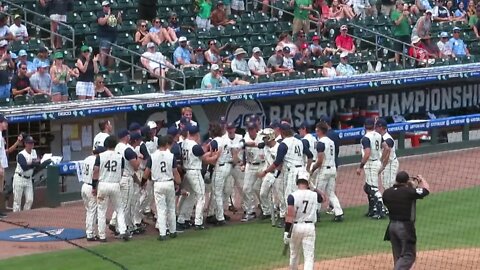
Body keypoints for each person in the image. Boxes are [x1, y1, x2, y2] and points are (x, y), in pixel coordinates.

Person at [383, 172, 430, 269]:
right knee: (408, 256)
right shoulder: (409, 192)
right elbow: (426, 190)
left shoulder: (387, 193)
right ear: (406, 181)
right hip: (404, 227)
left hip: (392, 227)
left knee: (398, 255)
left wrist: (410, 187)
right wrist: (421, 180)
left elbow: (401, 194)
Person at [177, 125, 219, 230]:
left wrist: (207, 150)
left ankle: (182, 219)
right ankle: (198, 222)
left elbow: (201, 152)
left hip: (187, 171)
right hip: (194, 172)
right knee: (201, 197)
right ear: (196, 134)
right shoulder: (194, 146)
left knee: (190, 196)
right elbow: (204, 158)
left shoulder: (184, 143)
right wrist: (215, 155)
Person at [259, 122, 313, 204]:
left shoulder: (283, 144)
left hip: (292, 172)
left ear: (281, 131)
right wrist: (307, 169)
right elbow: (310, 156)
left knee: (290, 197)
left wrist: (265, 171)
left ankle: (295, 215)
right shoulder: (299, 141)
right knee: (303, 194)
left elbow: (277, 163)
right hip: (302, 171)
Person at [143, 135, 181, 240]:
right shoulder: (171, 156)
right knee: (171, 209)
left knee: (161, 209)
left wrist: (142, 182)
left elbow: (146, 172)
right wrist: (178, 183)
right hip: (169, 183)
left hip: (158, 184)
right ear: (166, 144)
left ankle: (163, 234)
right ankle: (173, 231)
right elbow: (175, 172)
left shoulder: (152, 156)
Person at [283, 172, 324, 270]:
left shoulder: (292, 196)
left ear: (297, 182)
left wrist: (286, 231)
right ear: (308, 182)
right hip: (309, 227)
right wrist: (313, 188)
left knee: (294, 255)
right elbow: (323, 198)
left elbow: (290, 216)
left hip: (295, 227)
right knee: (309, 257)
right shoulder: (314, 195)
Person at [92, 135, 129, 242]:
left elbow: (95, 171)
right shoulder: (119, 157)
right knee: (120, 209)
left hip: (103, 184)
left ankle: (102, 236)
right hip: (115, 184)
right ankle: (123, 231)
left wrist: (94, 186)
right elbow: (121, 172)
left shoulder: (100, 156)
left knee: (102, 211)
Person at [108, 129, 140, 236]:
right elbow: (135, 166)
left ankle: (113, 222)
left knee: (120, 204)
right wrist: (139, 158)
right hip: (126, 178)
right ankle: (120, 229)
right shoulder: (127, 149)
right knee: (125, 205)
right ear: (126, 137)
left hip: (118, 178)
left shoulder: (116, 147)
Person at [311, 121, 344, 221]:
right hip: (333, 169)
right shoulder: (331, 141)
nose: (316, 132)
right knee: (331, 193)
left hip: (324, 170)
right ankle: (339, 213)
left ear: (319, 131)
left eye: (317, 130)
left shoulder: (321, 143)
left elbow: (320, 160)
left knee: (318, 192)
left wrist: (313, 169)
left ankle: (316, 214)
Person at [356, 118, 385, 219]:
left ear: (364, 126)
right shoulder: (378, 135)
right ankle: (372, 209)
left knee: (374, 188)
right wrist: (382, 159)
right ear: (373, 125)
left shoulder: (365, 138)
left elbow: (367, 153)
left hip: (371, 164)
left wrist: (360, 167)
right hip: (377, 162)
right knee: (367, 187)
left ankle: (381, 211)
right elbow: (386, 147)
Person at [80, 146, 106, 241]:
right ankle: (90, 234)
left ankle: (89, 232)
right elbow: (96, 174)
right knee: (92, 211)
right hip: (91, 187)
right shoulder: (96, 160)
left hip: (84, 186)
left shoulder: (87, 158)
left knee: (89, 211)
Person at [12, 136, 38, 212]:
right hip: (19, 178)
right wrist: (34, 164)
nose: (31, 144)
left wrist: (35, 163)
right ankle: (16, 217)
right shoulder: (21, 154)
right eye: (29, 143)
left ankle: (26, 215)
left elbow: (36, 163)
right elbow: (24, 167)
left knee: (30, 200)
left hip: (28, 179)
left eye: (32, 143)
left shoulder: (34, 152)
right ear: (25, 144)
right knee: (17, 201)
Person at [97, 1, 122, 68]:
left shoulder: (113, 13)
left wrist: (119, 17)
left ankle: (110, 68)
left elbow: (119, 22)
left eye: (108, 6)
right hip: (104, 36)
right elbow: (101, 22)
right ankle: (101, 68)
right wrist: (108, 15)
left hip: (113, 36)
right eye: (106, 6)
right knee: (104, 53)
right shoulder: (100, 14)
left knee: (112, 53)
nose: (108, 7)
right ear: (103, 7)